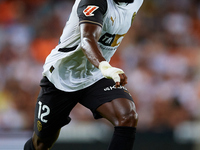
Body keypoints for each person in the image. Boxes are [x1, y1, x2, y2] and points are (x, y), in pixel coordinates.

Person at [24, 0, 143, 149]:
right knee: (41, 144)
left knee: (127, 116)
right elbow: (87, 40)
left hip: (95, 75)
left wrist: (103, 68)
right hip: (61, 77)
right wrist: (105, 67)